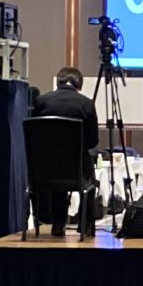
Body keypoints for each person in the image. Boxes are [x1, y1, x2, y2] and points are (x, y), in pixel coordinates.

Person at [32, 66, 102, 234]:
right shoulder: (86, 104)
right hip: (76, 168)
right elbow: (92, 141)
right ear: (79, 85)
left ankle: (58, 223)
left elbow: (34, 134)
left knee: (57, 167)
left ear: (58, 82)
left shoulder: (41, 102)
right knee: (89, 174)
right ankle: (86, 224)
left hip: (45, 169)